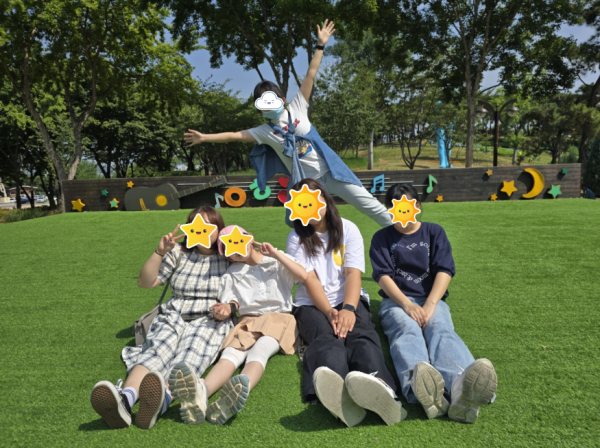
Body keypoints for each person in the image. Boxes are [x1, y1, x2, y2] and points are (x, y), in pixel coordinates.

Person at [183, 19, 392, 228]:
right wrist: (204, 137)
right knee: (305, 226)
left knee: (370, 205)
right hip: (308, 186)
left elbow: (311, 74)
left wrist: (320, 45)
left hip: (332, 173)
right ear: (259, 108)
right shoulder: (264, 132)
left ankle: (402, 234)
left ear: (282, 99)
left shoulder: (298, 107)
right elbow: (234, 135)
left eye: (271, 99)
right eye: (262, 101)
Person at [90, 206, 233, 430]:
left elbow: (247, 283)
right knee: (156, 350)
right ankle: (126, 399)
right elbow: (146, 283)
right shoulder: (178, 253)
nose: (202, 229)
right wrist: (159, 252)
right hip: (174, 314)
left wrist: (229, 308)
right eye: (197, 225)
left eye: (209, 225)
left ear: (219, 230)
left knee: (190, 355)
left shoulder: (230, 256)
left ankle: (163, 399)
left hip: (209, 319)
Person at [369, 183, 497, 424]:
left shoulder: (433, 232)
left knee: (440, 329)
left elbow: (444, 270)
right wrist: (407, 305)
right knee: (407, 330)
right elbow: (383, 277)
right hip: (397, 302)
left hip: (432, 299)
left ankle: (461, 386)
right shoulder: (381, 238)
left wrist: (430, 304)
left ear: (417, 206)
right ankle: (420, 389)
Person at [285, 178, 404, 428]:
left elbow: (352, 274)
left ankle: (383, 390)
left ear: (324, 200)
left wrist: (348, 309)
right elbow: (310, 280)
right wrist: (330, 312)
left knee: (361, 335)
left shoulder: (348, 229)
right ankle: (339, 396)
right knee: (326, 339)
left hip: (348, 298)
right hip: (312, 304)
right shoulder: (296, 238)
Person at [168, 225, 308, 426]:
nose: (235, 252)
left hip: (279, 318)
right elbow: (231, 302)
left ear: (249, 238)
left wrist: (276, 254)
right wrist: (224, 309)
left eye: (238, 243)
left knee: (260, 351)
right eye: (229, 249)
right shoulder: (232, 272)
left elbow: (302, 276)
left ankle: (239, 390)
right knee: (230, 354)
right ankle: (202, 393)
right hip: (247, 321)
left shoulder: (275, 261)